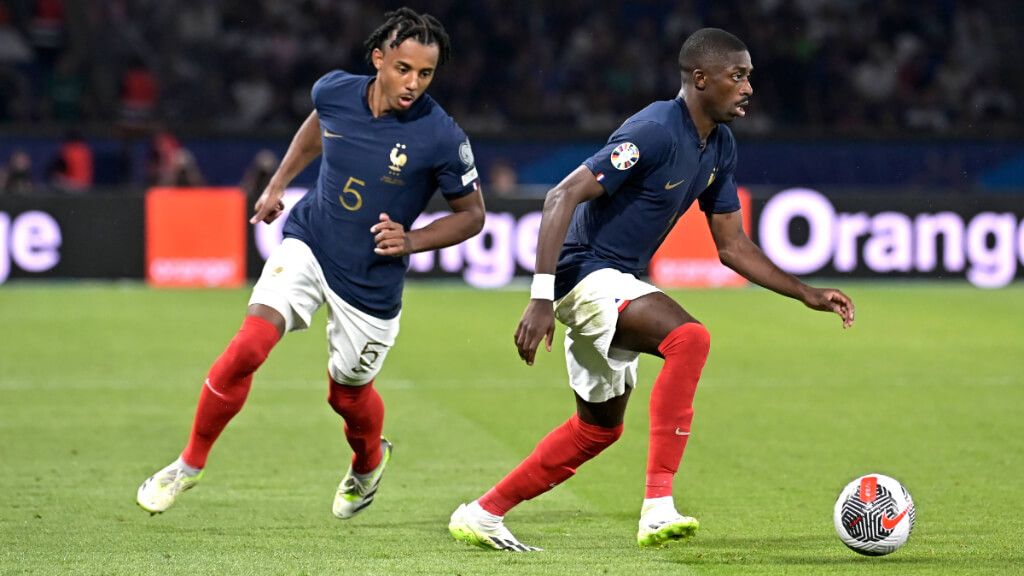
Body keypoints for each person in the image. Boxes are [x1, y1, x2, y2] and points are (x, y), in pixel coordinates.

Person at [448, 28, 854, 552]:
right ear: (700, 79)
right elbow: (561, 196)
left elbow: (731, 246)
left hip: (616, 282)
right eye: (739, 76)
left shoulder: (720, 145)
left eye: (750, 75)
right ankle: (658, 506)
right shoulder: (656, 131)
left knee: (598, 430)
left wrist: (806, 293)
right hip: (585, 274)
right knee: (691, 339)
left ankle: (482, 513)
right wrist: (541, 298)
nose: (749, 87)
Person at [137, 7, 485, 519]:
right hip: (311, 239)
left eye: (425, 73)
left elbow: (473, 215)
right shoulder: (335, 91)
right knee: (248, 347)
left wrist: (411, 240)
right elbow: (317, 127)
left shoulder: (440, 136)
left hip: (369, 281)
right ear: (379, 58)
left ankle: (368, 465)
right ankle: (187, 466)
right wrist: (278, 183)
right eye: (403, 68)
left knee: (346, 397)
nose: (413, 83)